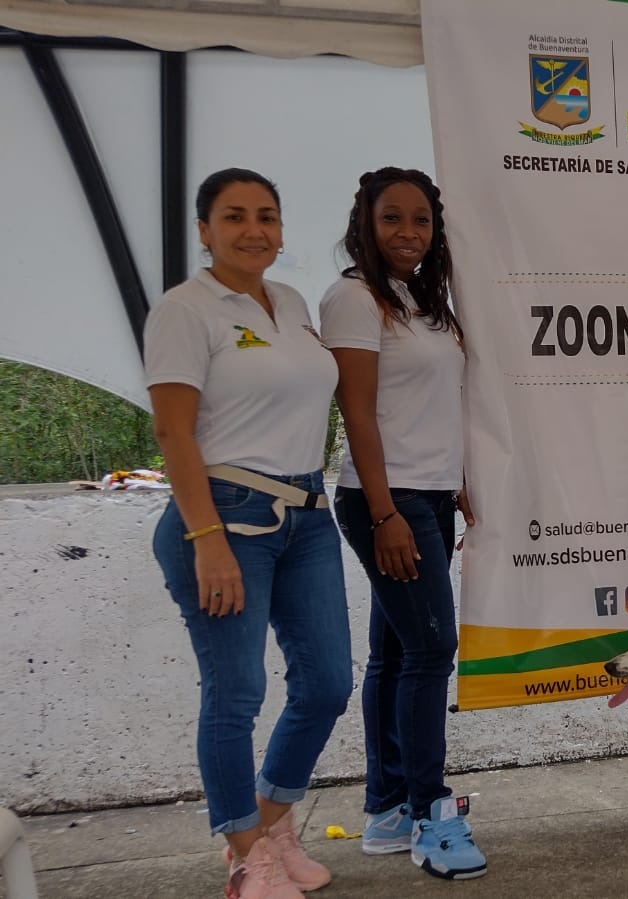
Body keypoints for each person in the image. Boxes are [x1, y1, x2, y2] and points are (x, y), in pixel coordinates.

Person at [147, 168, 351, 899]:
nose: (253, 229)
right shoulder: (185, 309)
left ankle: (269, 823)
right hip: (225, 515)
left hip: (307, 513)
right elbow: (172, 429)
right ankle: (244, 856)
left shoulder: (290, 302)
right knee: (235, 691)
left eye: (267, 215)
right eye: (233, 216)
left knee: (327, 683)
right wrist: (206, 537)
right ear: (205, 230)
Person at [319, 167, 486, 881]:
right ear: (366, 220)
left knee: (393, 656)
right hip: (386, 500)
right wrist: (384, 511)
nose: (408, 233)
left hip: (430, 496)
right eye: (393, 218)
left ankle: (386, 808)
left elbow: (437, 402)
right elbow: (356, 412)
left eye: (420, 220)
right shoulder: (353, 299)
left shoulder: (426, 300)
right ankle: (430, 813)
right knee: (429, 650)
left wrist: (459, 481)